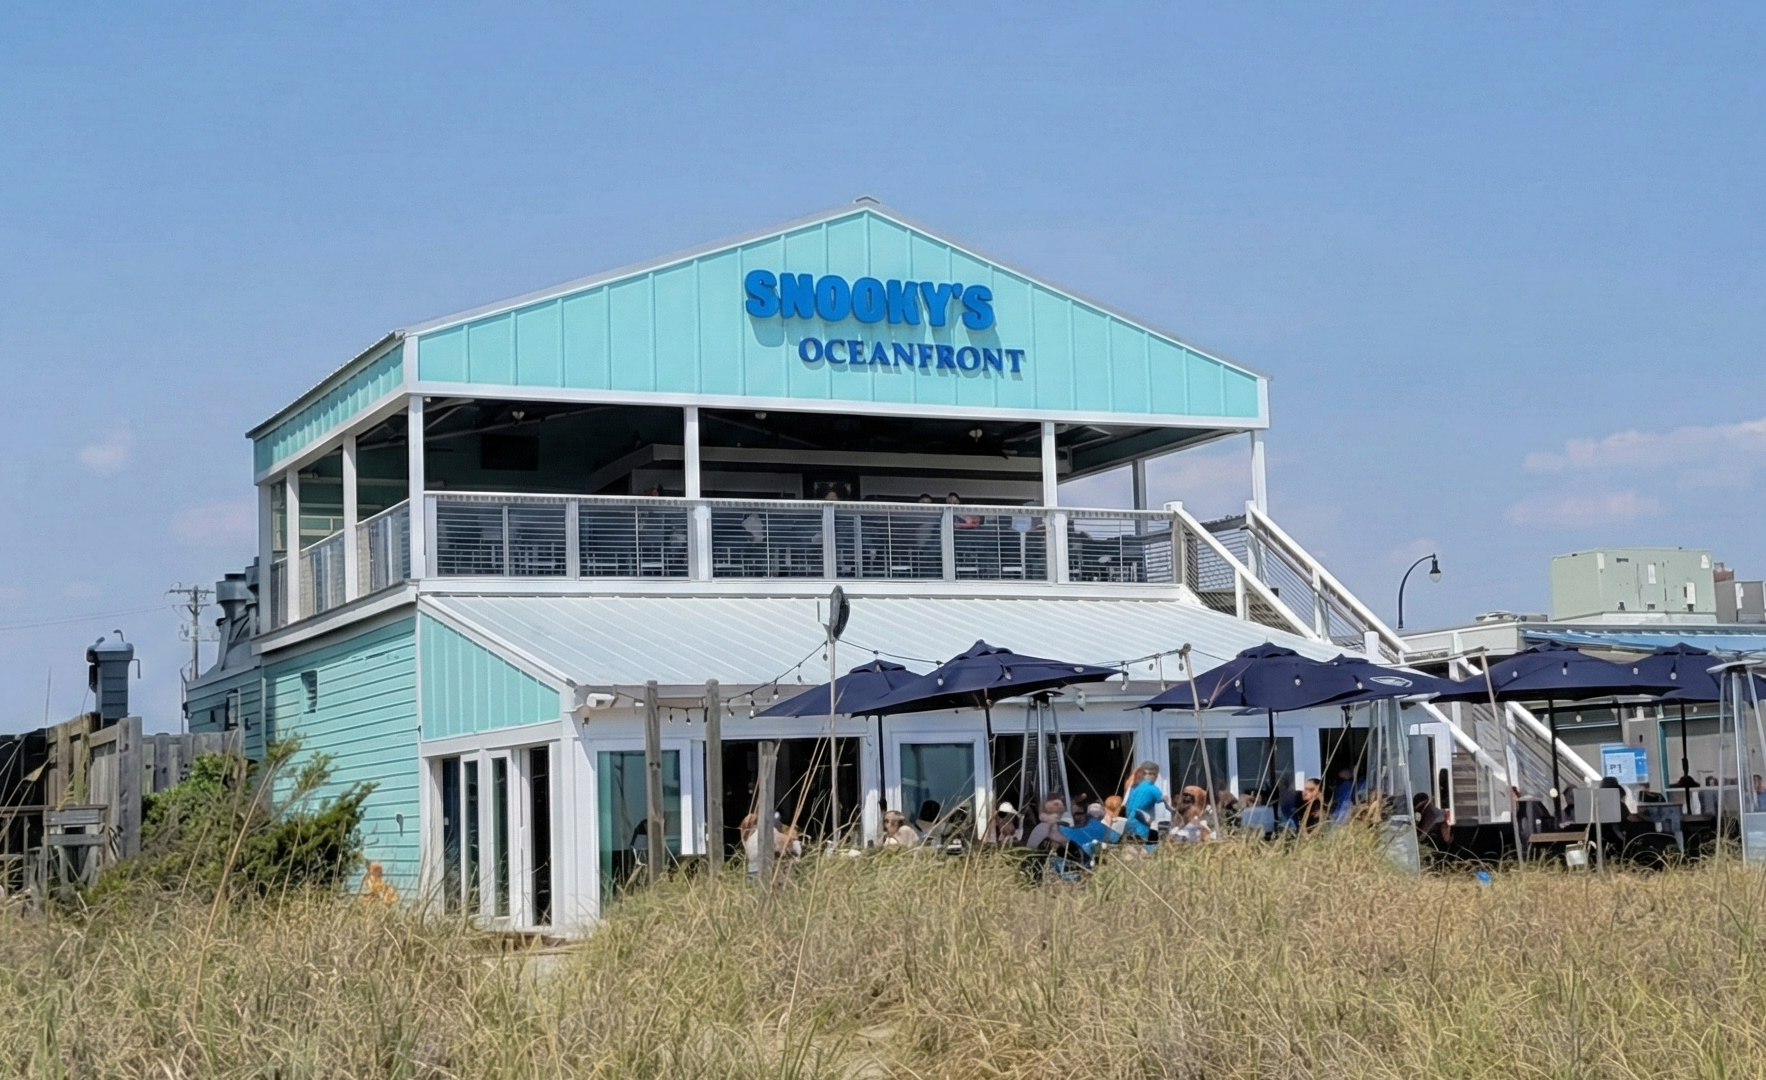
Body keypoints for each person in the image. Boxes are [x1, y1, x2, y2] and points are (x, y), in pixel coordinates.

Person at [1122, 762, 1169, 841]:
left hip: (1129, 826)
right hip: (1142, 828)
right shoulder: (1153, 788)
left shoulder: (1134, 787)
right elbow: (1165, 803)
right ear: (1154, 774)